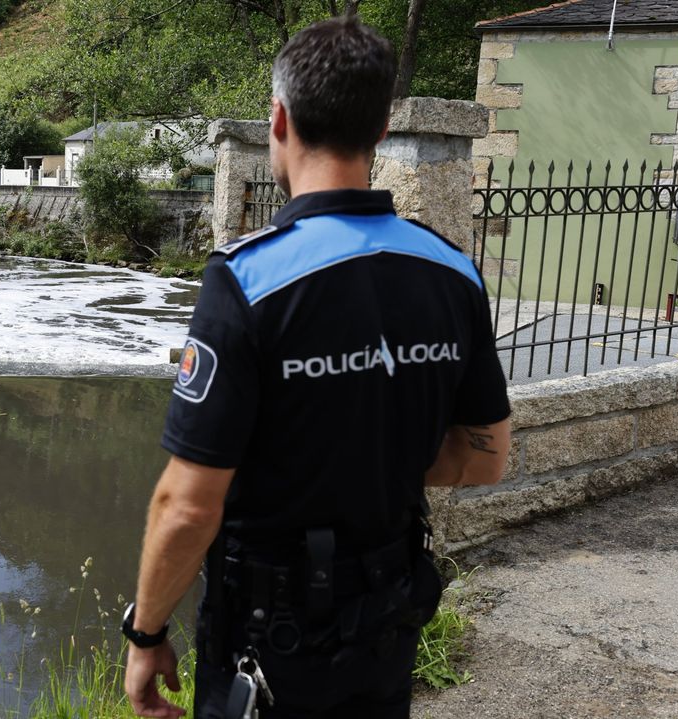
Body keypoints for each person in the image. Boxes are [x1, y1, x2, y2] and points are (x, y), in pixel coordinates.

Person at [121, 16, 512, 719]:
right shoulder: (452, 272)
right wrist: (372, 460)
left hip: (267, 643)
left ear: (279, 119)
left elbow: (187, 504)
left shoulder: (248, 280)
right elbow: (484, 458)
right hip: (386, 627)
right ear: (381, 129)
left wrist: (146, 633)